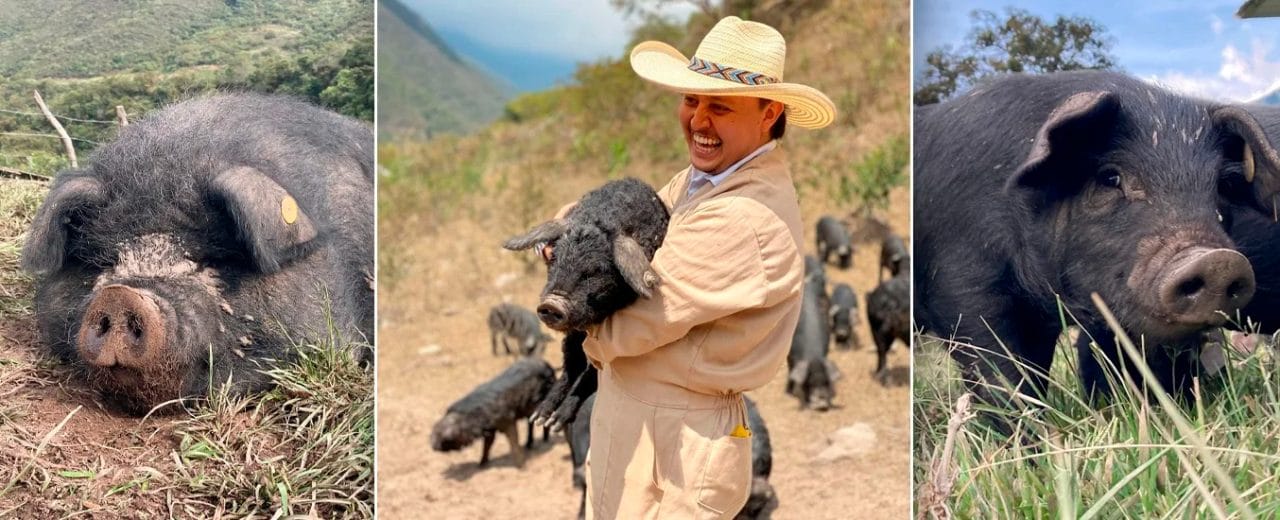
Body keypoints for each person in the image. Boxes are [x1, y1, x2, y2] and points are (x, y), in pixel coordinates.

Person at [548, 16, 835, 519]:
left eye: (720, 106)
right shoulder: (707, 179)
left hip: (677, 439)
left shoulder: (744, 215)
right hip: (637, 415)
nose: (699, 120)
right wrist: (572, 235)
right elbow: (636, 216)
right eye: (692, 100)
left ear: (769, 113)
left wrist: (574, 304)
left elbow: (632, 327)